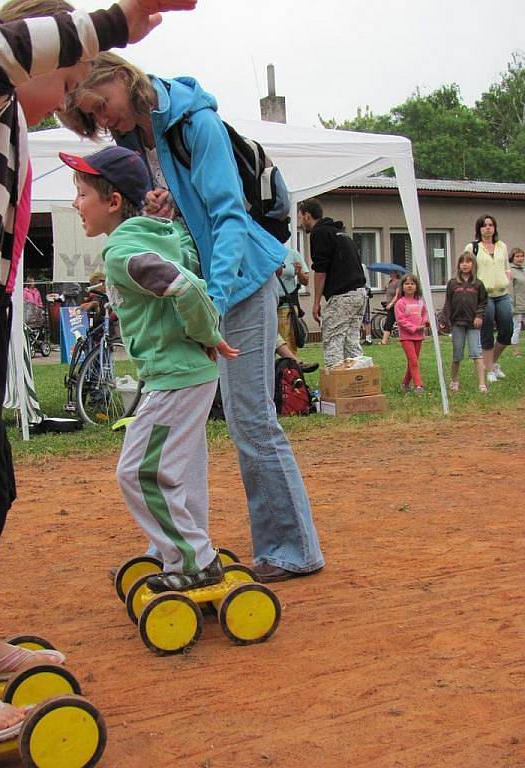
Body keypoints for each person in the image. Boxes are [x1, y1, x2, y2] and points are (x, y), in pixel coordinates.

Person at [0, 0, 196, 742]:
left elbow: (87, 125)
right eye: (64, 78)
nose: (67, 99)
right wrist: (117, 21)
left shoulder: (6, 120)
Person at [59, 53, 324, 584]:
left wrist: (217, 302)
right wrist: (161, 217)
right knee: (190, 426)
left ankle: (292, 548)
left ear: (118, 76)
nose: (103, 123)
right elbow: (181, 223)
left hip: (238, 282)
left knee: (250, 417)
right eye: (92, 120)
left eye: (99, 108)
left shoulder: (193, 122)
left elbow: (227, 218)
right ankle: (186, 550)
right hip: (199, 289)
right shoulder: (134, 138)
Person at [60, 145, 239, 591]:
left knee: (139, 472)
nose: (75, 204)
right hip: (186, 376)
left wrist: (207, 333)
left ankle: (194, 560)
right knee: (183, 468)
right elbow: (185, 256)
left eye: (81, 194)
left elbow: (185, 284)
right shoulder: (155, 234)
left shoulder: (122, 253)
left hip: (176, 379)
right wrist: (167, 221)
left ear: (113, 201)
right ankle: (175, 550)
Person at [298, 198, 367, 368]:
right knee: (351, 341)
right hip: (360, 294)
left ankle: (337, 386)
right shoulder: (341, 233)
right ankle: (358, 382)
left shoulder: (319, 233)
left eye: (300, 218)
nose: (301, 222)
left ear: (307, 215)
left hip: (342, 296)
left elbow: (321, 270)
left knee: (333, 340)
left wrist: (316, 303)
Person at [465, 215, 513, 383]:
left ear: (494, 228)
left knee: (507, 329)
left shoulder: (502, 246)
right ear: (479, 229)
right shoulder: (473, 247)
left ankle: (490, 363)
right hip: (483, 296)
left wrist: (507, 279)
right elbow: (466, 269)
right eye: (484, 225)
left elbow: (506, 266)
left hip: (502, 294)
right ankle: (490, 370)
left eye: (491, 225)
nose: (488, 228)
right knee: (486, 332)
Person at [440, 254, 488, 393]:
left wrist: (479, 316)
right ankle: (454, 381)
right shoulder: (453, 283)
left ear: (473, 265)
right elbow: (448, 303)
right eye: (462, 262)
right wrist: (444, 319)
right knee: (457, 354)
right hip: (457, 323)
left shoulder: (478, 284)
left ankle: (482, 384)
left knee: (476, 353)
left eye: (468, 262)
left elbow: (483, 302)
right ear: (458, 265)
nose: (465, 265)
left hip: (473, 324)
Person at [394, 273, 428, 394]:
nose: (409, 286)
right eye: (407, 283)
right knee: (413, 360)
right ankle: (418, 385)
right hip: (406, 337)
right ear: (402, 287)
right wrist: (414, 328)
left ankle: (405, 384)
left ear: (416, 287)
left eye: (412, 284)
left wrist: (424, 322)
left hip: (419, 337)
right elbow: (401, 320)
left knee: (413, 361)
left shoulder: (420, 302)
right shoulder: (400, 303)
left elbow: (424, 314)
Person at [509, 247, 525, 357]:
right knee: (517, 328)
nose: (520, 258)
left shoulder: (523, 270)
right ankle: (515, 350)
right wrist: (511, 306)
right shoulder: (510, 271)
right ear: (512, 258)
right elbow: (510, 290)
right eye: (517, 256)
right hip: (517, 305)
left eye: (522, 256)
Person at [380, 270, 401, 345]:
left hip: (396, 306)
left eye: (391, 272)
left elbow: (397, 295)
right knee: (389, 323)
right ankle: (385, 340)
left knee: (392, 322)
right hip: (390, 306)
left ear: (395, 273)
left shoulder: (398, 282)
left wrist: (391, 304)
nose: (390, 274)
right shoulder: (390, 282)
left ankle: (384, 341)